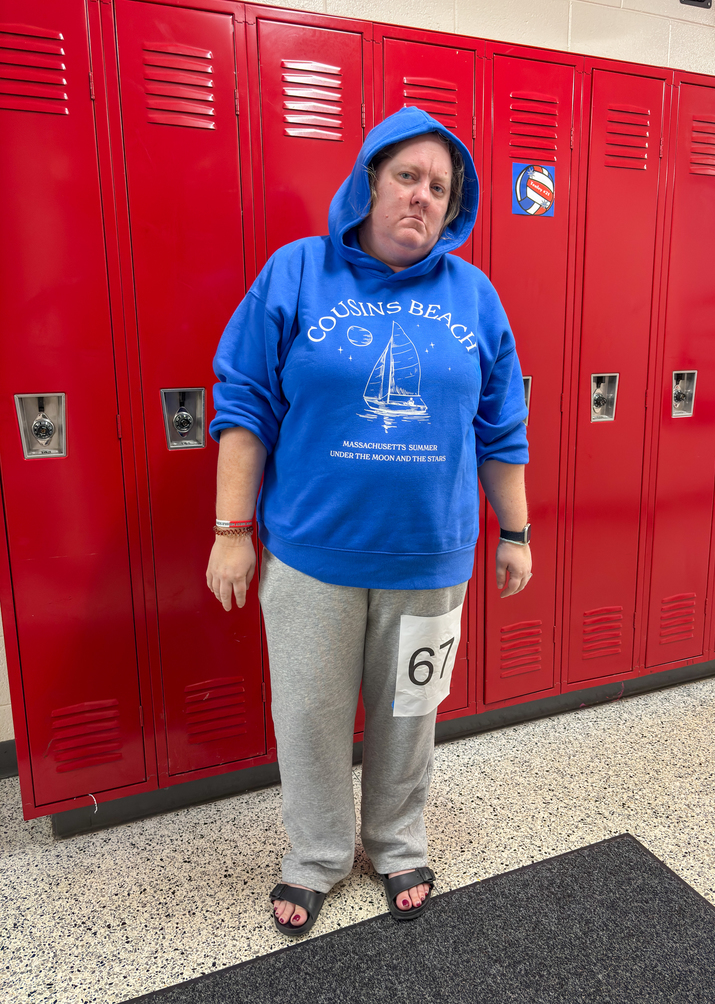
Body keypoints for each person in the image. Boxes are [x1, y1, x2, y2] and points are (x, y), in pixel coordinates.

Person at [206, 107, 532, 937]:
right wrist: (230, 530)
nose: (421, 198)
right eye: (406, 178)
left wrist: (516, 533)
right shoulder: (298, 273)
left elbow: (502, 427)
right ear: (368, 182)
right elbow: (245, 404)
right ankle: (315, 855)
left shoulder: (474, 294)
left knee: (408, 714)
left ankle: (395, 840)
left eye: (440, 187)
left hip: (429, 558)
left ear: (453, 207)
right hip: (313, 555)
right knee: (309, 716)